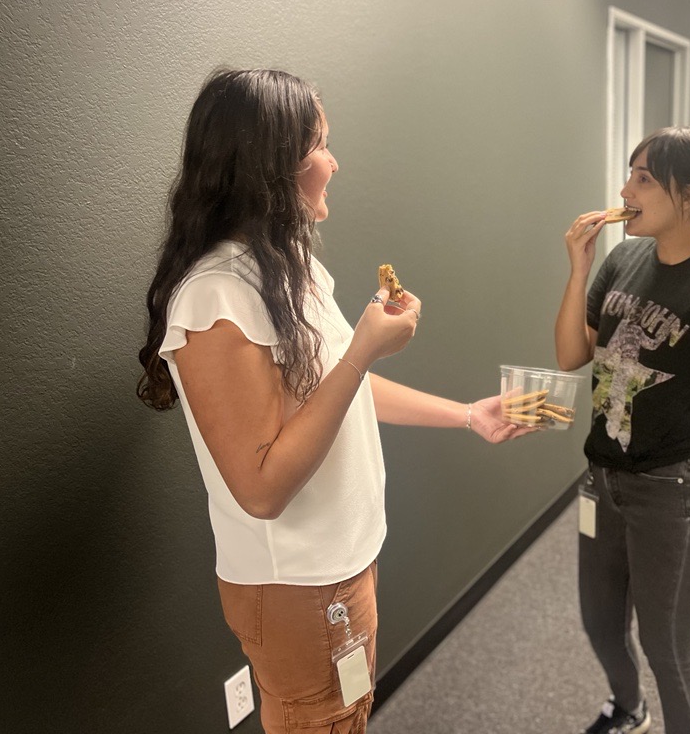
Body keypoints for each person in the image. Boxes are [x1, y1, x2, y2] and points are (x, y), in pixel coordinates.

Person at [137, 68, 531, 734]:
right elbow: (261, 488)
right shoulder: (215, 297)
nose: (334, 162)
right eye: (319, 145)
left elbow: (339, 394)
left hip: (343, 564)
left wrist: (466, 415)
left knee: (346, 715)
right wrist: (362, 351)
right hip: (298, 584)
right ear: (273, 166)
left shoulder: (287, 266)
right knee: (325, 721)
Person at [555, 126, 690, 734]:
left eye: (644, 178)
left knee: (667, 648)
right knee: (600, 621)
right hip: (602, 479)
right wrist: (578, 270)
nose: (625, 190)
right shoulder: (623, 259)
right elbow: (571, 354)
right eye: (630, 175)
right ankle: (629, 708)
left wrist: (680, 426)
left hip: (677, 492)